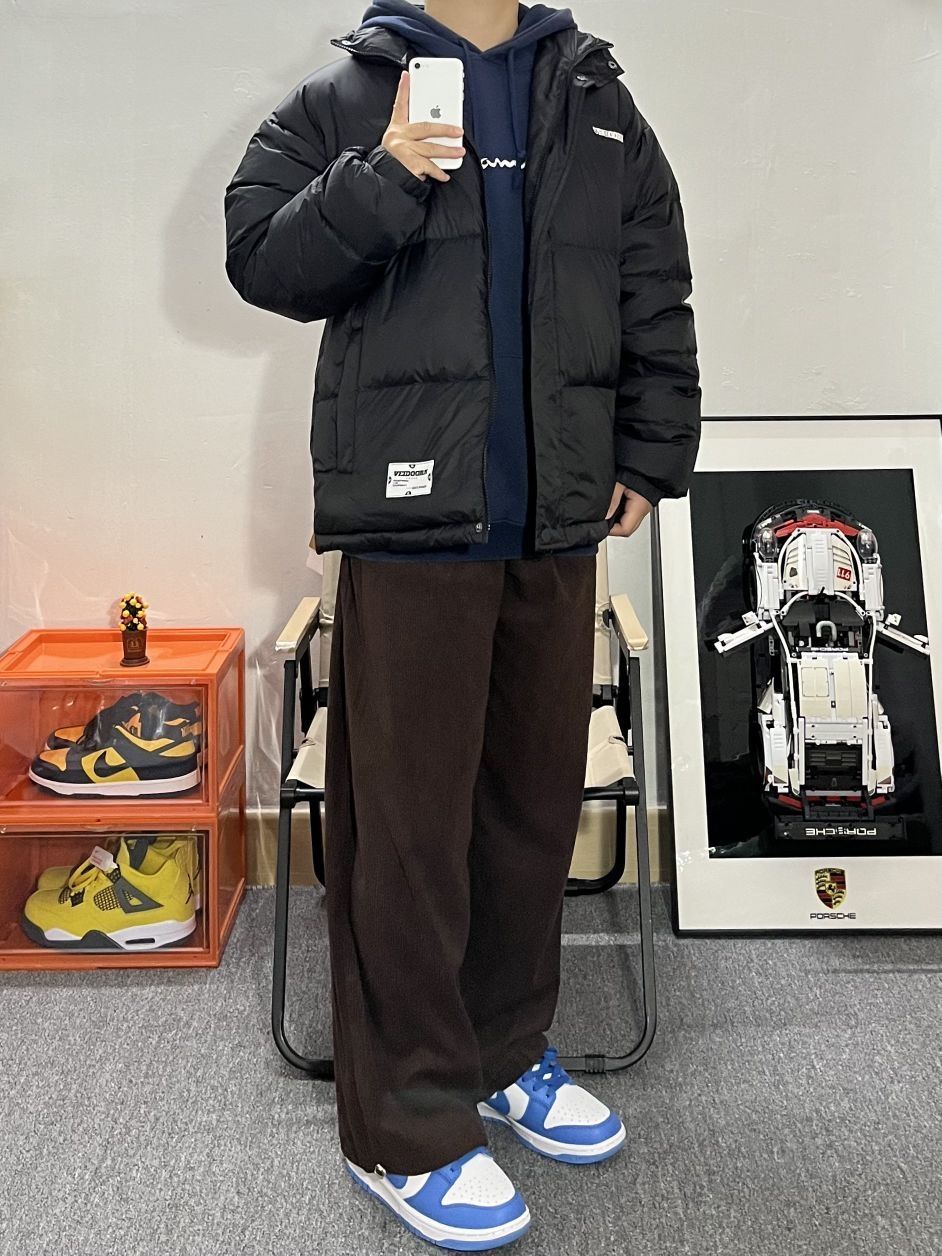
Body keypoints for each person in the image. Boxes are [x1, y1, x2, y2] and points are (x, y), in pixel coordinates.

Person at [225, 0, 701, 1248]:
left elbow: (653, 279)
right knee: (410, 835)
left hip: (554, 521)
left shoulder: (595, 101)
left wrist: (649, 450)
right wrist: (383, 173)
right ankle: (407, 1124)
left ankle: (502, 1050)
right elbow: (261, 258)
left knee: (529, 813)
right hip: (412, 527)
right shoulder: (348, 97)